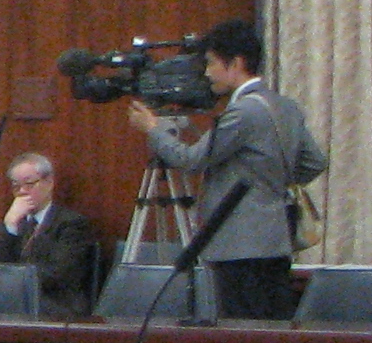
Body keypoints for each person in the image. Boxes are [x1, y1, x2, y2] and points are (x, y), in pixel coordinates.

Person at [132, 18, 320, 322]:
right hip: (277, 240)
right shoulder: (285, 106)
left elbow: (192, 160)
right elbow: (314, 162)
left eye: (211, 63)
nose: (207, 73)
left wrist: (154, 129)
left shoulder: (242, 111)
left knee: (242, 330)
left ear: (236, 63)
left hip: (238, 243)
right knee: (274, 329)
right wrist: (271, 178)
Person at [0, 152, 100, 316]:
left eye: (29, 184)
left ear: (49, 183)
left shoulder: (71, 224)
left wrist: (13, 279)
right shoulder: (14, 221)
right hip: (15, 303)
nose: (22, 192)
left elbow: (57, 275)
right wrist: (10, 227)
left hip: (56, 306)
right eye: (16, 186)